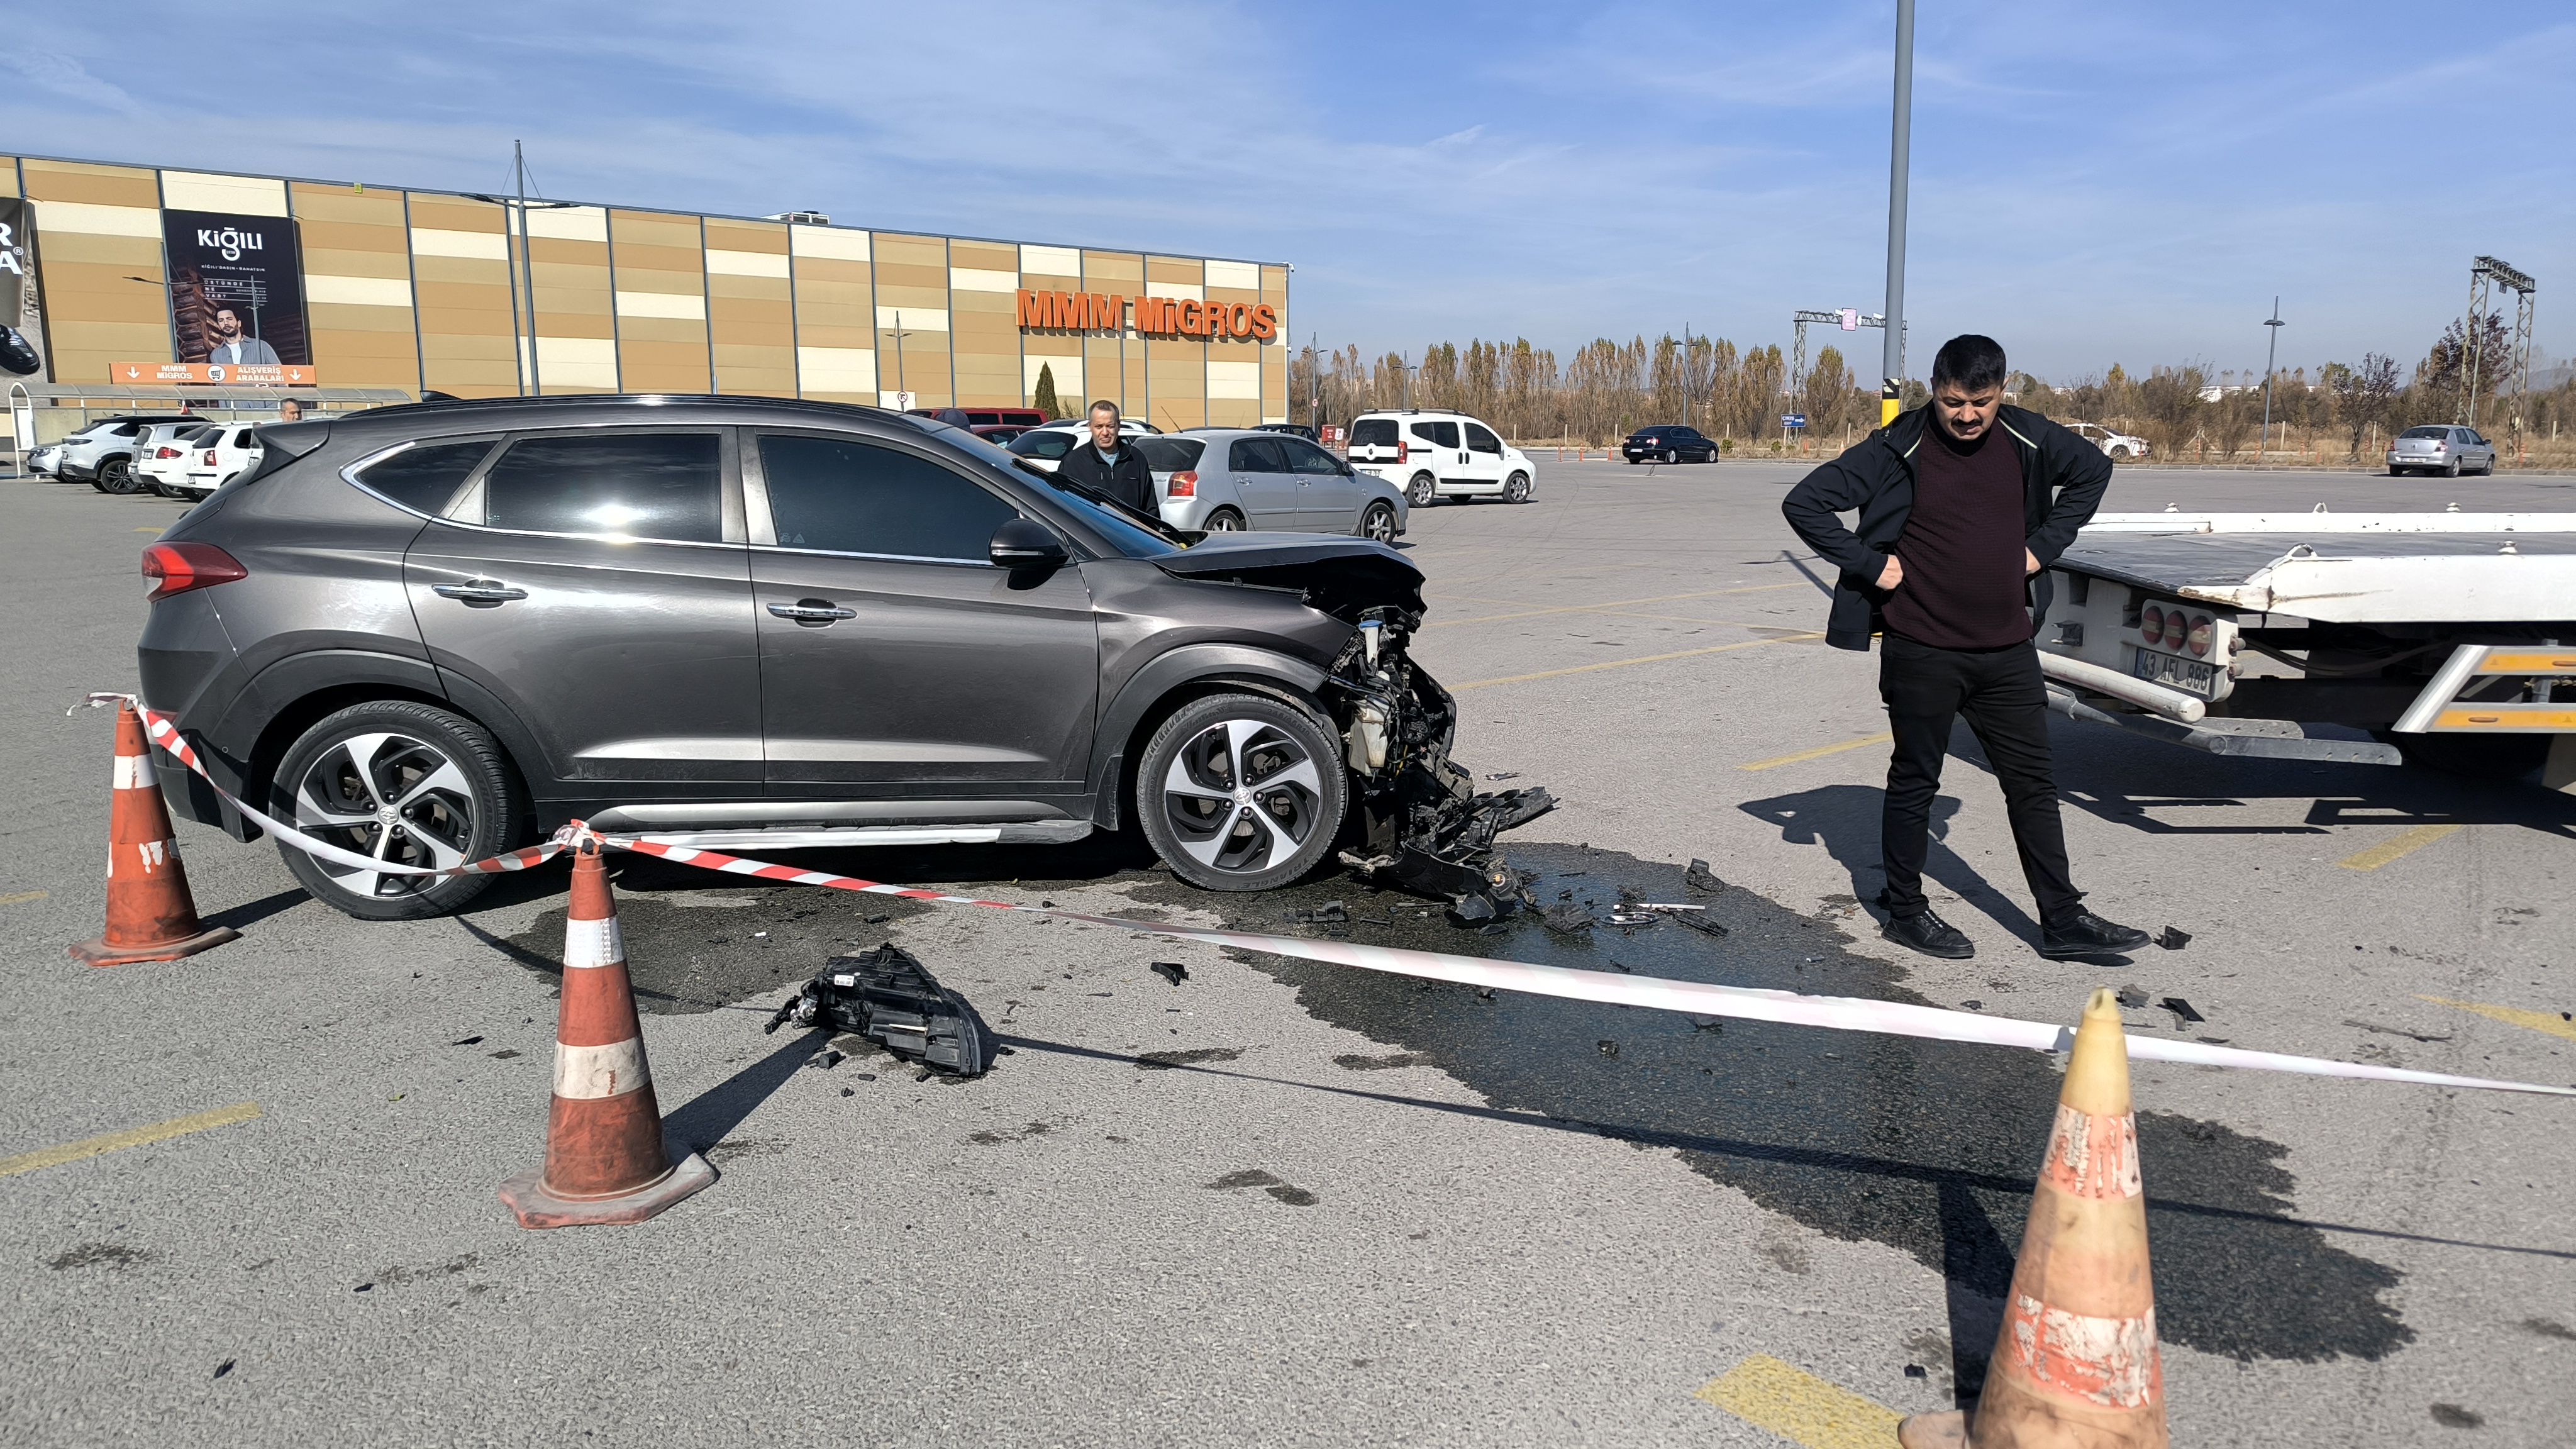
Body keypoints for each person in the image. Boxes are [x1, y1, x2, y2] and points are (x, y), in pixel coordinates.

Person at [1781, 333, 2150, 962]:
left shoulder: (2026, 436)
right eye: (1953, 401)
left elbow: (2094, 471)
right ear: (1934, 391)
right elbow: (1806, 503)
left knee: (2033, 786)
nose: (1967, 415)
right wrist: (1872, 564)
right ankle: (1905, 911)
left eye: (1980, 401)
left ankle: (2061, 921)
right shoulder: (1900, 445)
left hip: (2006, 652)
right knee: (1915, 782)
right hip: (1921, 649)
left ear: (2002, 391)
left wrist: (2045, 545)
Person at [1051, 399, 1155, 517]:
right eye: (1099, 426)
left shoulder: (1136, 459)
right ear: (1090, 427)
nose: (1105, 432)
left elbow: (1151, 510)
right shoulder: (1073, 463)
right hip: (1090, 533)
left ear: (1118, 426)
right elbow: (1064, 509)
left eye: (1110, 426)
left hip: (1129, 534)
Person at [206, 307, 280, 367]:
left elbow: (280, 375)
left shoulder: (260, 346)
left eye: (229, 319)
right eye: (221, 320)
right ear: (219, 326)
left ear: (239, 323)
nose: (226, 323)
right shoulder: (216, 354)